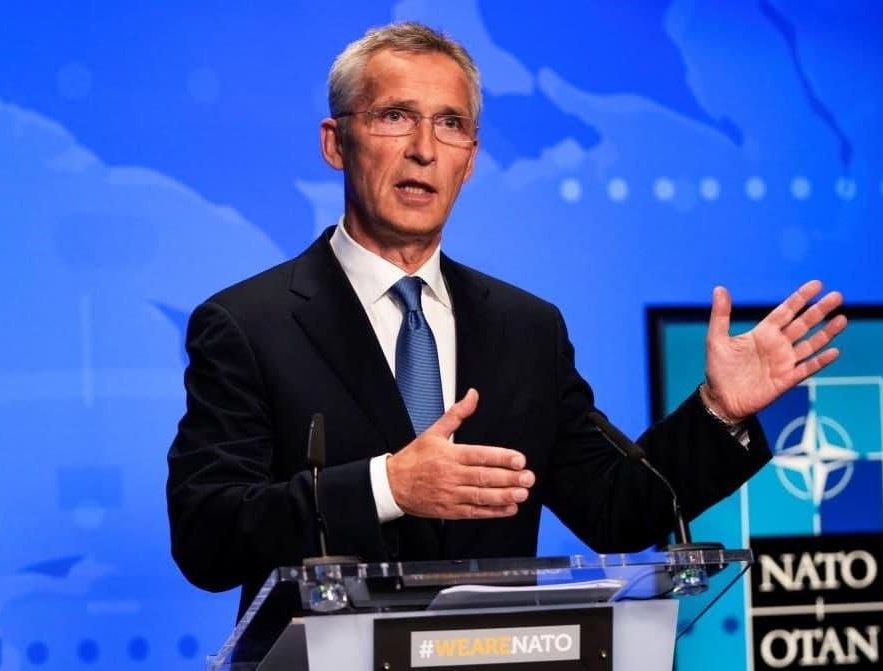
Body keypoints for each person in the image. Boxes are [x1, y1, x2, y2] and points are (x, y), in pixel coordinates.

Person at [166, 21, 846, 638]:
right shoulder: (248, 325)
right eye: (395, 116)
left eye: (450, 124)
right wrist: (387, 486)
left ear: (470, 157)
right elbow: (206, 536)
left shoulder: (525, 329)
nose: (423, 150)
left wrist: (718, 410)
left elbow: (618, 510)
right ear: (334, 142)